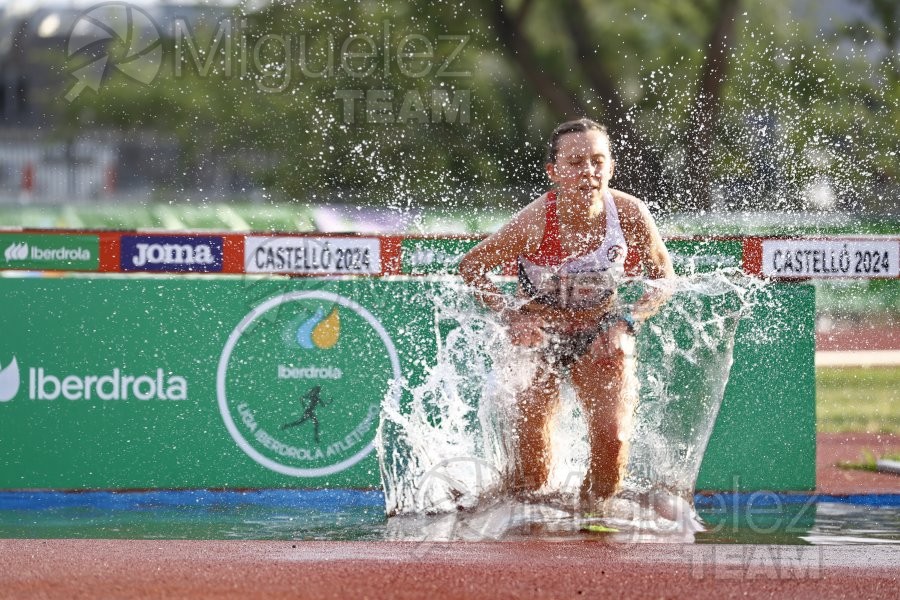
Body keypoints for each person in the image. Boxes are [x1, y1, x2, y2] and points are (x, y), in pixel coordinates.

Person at [458, 118, 674, 505]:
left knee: (614, 439)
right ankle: (526, 529)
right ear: (553, 172)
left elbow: (664, 280)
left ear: (610, 167)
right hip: (539, 338)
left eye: (597, 161)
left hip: (600, 332)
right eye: (575, 163)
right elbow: (471, 267)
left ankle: (595, 521)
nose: (588, 172)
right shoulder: (534, 221)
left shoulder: (629, 214)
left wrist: (628, 321)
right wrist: (513, 316)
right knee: (533, 464)